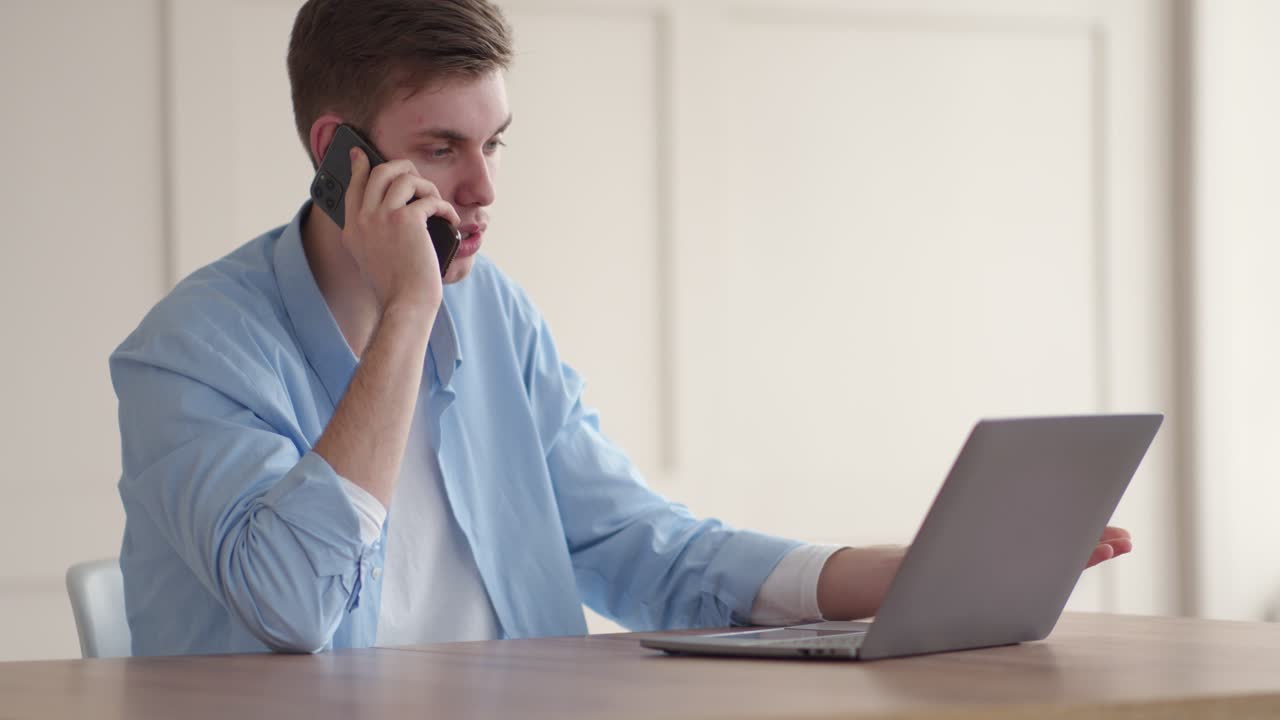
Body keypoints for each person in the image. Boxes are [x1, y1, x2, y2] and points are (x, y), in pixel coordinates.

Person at [109, 0, 1133, 656]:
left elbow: (639, 547)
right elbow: (286, 604)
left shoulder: (495, 315)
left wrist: (889, 575)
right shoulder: (192, 351)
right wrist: (409, 312)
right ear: (340, 154)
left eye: (494, 143)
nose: (482, 188)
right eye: (442, 147)